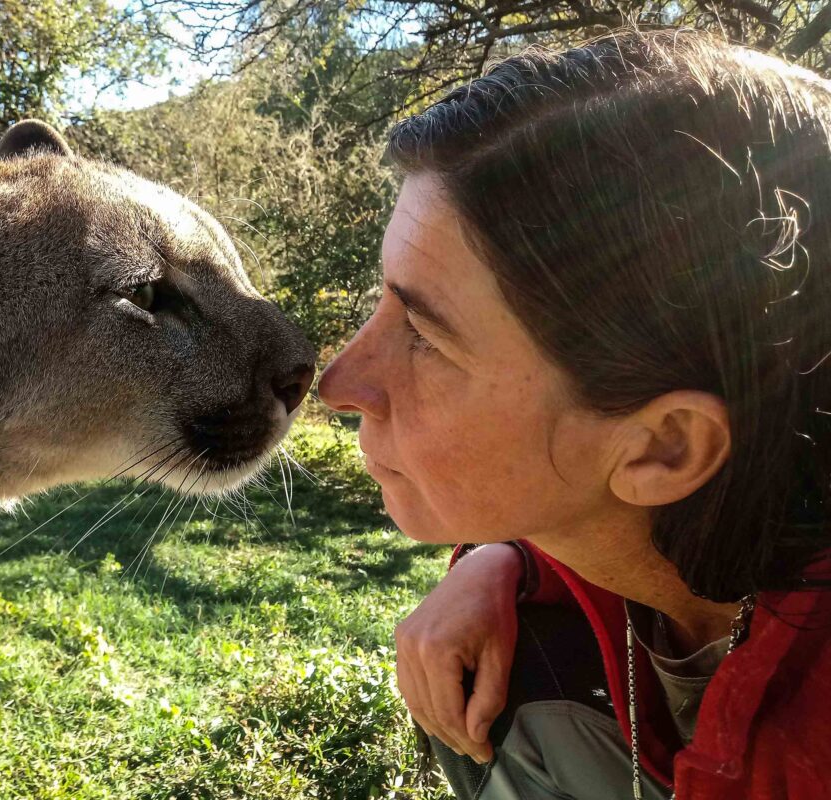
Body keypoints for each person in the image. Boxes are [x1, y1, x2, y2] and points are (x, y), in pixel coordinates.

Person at [317, 27, 831, 800]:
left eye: (424, 335)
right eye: (381, 303)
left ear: (665, 448)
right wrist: (509, 560)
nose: (337, 381)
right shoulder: (660, 536)